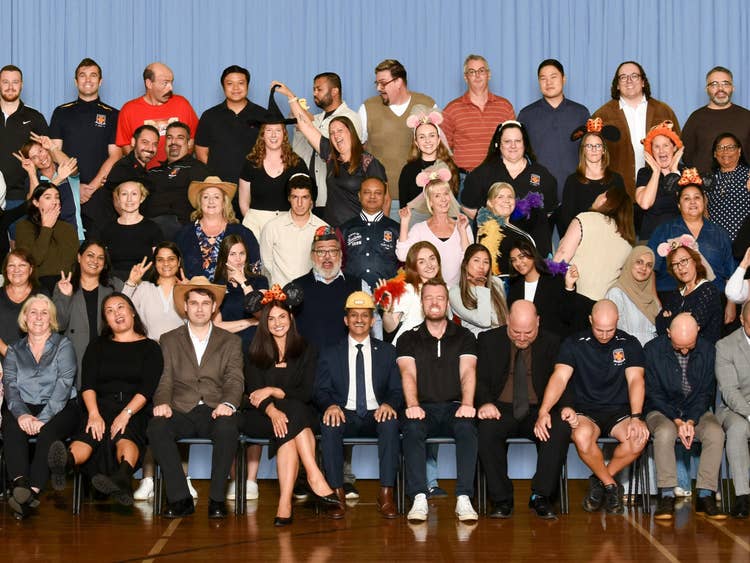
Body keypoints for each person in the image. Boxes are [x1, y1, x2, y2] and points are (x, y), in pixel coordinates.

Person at [239, 285, 344, 524]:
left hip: (293, 416)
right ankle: (314, 475)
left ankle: (284, 503)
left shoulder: (306, 349)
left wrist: (273, 390)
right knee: (294, 417)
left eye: (282, 317)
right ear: (264, 323)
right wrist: (272, 410)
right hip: (261, 416)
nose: (277, 323)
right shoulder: (253, 351)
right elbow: (254, 394)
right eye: (271, 319)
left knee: (290, 424)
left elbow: (305, 393)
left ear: (291, 318)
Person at [534, 300, 649, 514]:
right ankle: (611, 485)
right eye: (599, 329)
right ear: (590, 320)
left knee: (638, 439)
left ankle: (600, 480)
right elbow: (559, 378)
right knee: (581, 436)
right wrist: (544, 410)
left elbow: (636, 380)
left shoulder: (630, 343)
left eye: (610, 330)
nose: (604, 335)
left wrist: (636, 417)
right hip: (586, 411)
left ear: (618, 321)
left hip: (620, 411)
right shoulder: (574, 343)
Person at [47, 293, 163, 506]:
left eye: (120, 307)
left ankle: (122, 476)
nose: (116, 313)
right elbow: (88, 384)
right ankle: (65, 464)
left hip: (135, 407)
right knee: (90, 433)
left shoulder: (151, 347)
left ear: (132, 312)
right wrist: (93, 414)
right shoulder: (97, 345)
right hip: (99, 404)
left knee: (125, 433)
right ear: (106, 320)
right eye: (109, 311)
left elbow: (147, 389)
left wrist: (126, 414)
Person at [147, 276, 243, 519]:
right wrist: (162, 403)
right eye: (194, 303)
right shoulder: (169, 339)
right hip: (181, 409)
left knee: (228, 428)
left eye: (205, 303)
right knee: (157, 427)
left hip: (215, 409)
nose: (200, 308)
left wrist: (228, 404)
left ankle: (217, 500)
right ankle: (180, 498)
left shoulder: (231, 341)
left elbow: (234, 379)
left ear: (214, 307)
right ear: (185, 307)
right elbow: (165, 378)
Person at [477, 300, 572, 519]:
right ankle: (501, 499)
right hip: (500, 408)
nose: (521, 337)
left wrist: (566, 407)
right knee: (486, 430)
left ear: (537, 322)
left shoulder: (553, 342)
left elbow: (562, 379)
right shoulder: (488, 340)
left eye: (528, 333)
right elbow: (479, 379)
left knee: (558, 428)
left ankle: (541, 496)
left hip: (538, 409)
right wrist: (485, 403)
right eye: (515, 332)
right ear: (507, 321)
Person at [315, 291, 402, 518]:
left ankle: (386, 493)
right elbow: (321, 390)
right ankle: (336, 493)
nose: (359, 320)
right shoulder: (330, 352)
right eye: (354, 315)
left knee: (391, 423)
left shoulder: (388, 352)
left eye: (365, 315)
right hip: (344, 413)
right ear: (346, 320)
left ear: (373, 321)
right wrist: (331, 405)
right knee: (329, 423)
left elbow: (396, 390)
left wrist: (389, 404)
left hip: (377, 413)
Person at [121, 242, 197, 503]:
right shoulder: (143, 289)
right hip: (149, 360)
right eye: (161, 259)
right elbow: (121, 309)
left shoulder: (186, 288)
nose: (166, 264)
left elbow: (199, 320)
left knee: (181, 415)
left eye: (171, 259)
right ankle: (148, 479)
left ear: (179, 261)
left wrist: (188, 290)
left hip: (182, 362)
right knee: (152, 419)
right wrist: (130, 282)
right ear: (155, 263)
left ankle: (184, 477)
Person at [397, 278, 479, 522]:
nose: (434, 302)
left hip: (455, 407)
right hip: (422, 408)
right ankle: (419, 496)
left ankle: (464, 497)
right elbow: (407, 373)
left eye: (440, 298)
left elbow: (468, 371)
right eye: (429, 298)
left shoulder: (464, 336)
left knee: (467, 428)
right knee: (412, 428)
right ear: (422, 303)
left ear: (447, 303)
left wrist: (467, 403)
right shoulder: (407, 338)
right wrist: (412, 405)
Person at [1, 294, 79, 519]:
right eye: (33, 312)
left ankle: (30, 493)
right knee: (11, 425)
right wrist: (22, 415)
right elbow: (10, 386)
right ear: (24, 317)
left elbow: (63, 385)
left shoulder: (64, 345)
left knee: (48, 432)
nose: (38, 317)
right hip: (24, 405)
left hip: (62, 406)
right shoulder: (14, 350)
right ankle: (20, 484)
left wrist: (43, 418)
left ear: (51, 319)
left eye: (44, 313)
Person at [645, 313, 726, 520]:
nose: (683, 351)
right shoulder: (652, 350)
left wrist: (690, 420)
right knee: (665, 433)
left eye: (689, 346)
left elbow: (706, 393)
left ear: (697, 331)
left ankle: (705, 495)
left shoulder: (708, 350)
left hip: (695, 410)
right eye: (678, 346)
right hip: (662, 410)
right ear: (668, 333)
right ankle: (667, 495)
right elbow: (653, 394)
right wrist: (677, 420)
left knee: (715, 433)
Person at [279, 79, 389, 226]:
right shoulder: (331, 156)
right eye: (332, 133)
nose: (336, 135)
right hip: (332, 229)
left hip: (358, 229)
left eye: (340, 131)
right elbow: (306, 126)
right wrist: (291, 97)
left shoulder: (368, 162)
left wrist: (381, 229)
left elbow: (385, 200)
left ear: (351, 132)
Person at [462, 121, 557, 257]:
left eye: (517, 141)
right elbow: (468, 207)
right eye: (507, 141)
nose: (513, 146)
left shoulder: (542, 174)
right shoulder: (482, 173)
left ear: (524, 144)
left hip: (532, 250)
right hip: (494, 248)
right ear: (498, 144)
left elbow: (549, 212)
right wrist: (499, 223)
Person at [593, 61, 680, 198]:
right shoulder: (602, 115)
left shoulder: (664, 111)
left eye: (634, 76)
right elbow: (592, 154)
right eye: (623, 77)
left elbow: (677, 147)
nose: (629, 80)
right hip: (617, 193)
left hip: (659, 193)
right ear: (617, 84)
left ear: (643, 82)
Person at [49, 58, 121, 220]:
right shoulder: (61, 112)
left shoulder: (113, 115)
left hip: (100, 192)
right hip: (66, 189)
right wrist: (76, 186)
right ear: (76, 81)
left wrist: (91, 188)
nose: (88, 80)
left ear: (100, 81)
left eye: (93, 75)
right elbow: (54, 152)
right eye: (83, 75)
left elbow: (115, 155)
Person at [358, 59, 436, 201]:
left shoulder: (427, 105)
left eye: (383, 83)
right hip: (380, 199)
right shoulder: (367, 108)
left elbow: (440, 149)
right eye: (377, 83)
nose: (378, 88)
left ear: (398, 82)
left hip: (421, 198)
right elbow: (357, 150)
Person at [648, 175, 735, 300]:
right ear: (679, 205)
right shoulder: (664, 230)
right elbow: (651, 269)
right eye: (686, 198)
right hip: (672, 297)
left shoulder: (719, 233)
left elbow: (731, 274)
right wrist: (655, 301)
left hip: (713, 299)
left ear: (704, 201)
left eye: (697, 197)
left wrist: (731, 304)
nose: (692, 202)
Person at [238, 87, 308, 239]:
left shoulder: (297, 163)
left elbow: (307, 199)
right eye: (269, 130)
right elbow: (243, 203)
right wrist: (253, 226)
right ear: (262, 135)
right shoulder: (250, 163)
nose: (273, 135)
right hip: (255, 224)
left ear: (284, 134)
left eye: (278, 130)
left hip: (288, 224)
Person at [290, 72, 363, 212]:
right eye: (314, 89)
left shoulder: (351, 118)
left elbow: (328, 149)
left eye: (319, 89)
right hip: (307, 198)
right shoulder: (315, 119)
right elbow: (298, 153)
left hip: (334, 198)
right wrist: (299, 126)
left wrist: (304, 121)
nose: (314, 93)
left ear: (334, 91)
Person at [517, 59, 590, 197]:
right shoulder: (526, 115)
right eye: (543, 78)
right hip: (537, 190)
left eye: (553, 77)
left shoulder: (581, 113)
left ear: (563, 79)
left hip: (575, 188)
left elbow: (591, 152)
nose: (548, 82)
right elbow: (518, 154)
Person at [53, 240, 124, 383]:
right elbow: (59, 325)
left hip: (109, 354)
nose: (95, 261)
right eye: (90, 255)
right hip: (75, 355)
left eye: (100, 257)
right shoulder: (64, 285)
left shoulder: (115, 285)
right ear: (79, 257)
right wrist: (66, 296)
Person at [290, 226, 368, 350]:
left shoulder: (359, 285)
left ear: (340, 254)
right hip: (307, 360)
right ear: (312, 255)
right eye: (321, 252)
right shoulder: (296, 287)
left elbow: (374, 323)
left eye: (332, 251)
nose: (327, 257)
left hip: (347, 359)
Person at [554, 184, 635, 300]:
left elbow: (562, 255)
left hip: (575, 296)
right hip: (606, 304)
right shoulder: (627, 241)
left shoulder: (585, 219)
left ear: (604, 200)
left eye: (602, 194)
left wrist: (548, 284)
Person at [396, 163, 472, 286]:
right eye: (437, 196)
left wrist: (462, 231)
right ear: (430, 202)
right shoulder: (419, 229)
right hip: (428, 292)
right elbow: (403, 256)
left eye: (446, 194)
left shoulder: (463, 226)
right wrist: (404, 223)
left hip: (456, 292)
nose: (443, 199)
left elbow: (469, 262)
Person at [194, 65, 267, 187]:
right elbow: (201, 152)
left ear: (247, 86)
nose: (236, 88)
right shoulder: (209, 116)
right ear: (223, 87)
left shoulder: (263, 115)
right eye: (230, 84)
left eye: (241, 83)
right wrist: (215, 178)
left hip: (255, 184)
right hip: (219, 186)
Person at [175, 176, 260, 281]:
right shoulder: (183, 234)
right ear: (200, 202)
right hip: (194, 291)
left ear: (224, 202)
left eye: (216, 197)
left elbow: (255, 270)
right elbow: (173, 268)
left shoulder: (242, 233)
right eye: (205, 197)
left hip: (234, 291)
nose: (211, 201)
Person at [115, 62, 199, 168]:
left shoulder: (182, 104)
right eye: (165, 83)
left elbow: (194, 137)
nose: (170, 88)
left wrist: (180, 164)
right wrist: (140, 168)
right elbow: (125, 144)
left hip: (179, 172)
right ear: (149, 83)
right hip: (144, 174)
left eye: (171, 82)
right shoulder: (129, 109)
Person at [442, 54, 515, 175]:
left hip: (498, 177)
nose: (477, 75)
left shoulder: (505, 107)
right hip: (465, 178)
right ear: (466, 77)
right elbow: (443, 149)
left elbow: (514, 144)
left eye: (481, 70)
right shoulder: (452, 109)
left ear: (488, 74)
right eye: (472, 72)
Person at [85, 124, 159, 238]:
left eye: (154, 144)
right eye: (145, 142)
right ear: (133, 142)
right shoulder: (124, 168)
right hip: (106, 231)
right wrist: (134, 232)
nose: (150, 148)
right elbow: (119, 203)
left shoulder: (142, 171)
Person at [259, 173, 327, 287]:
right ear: (289, 198)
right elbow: (266, 265)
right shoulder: (272, 227)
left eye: (305, 197)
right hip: (280, 293)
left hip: (313, 292)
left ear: (312, 200)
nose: (299, 203)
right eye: (295, 197)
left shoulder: (323, 229)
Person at [146, 121, 210, 240]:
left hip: (181, 229)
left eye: (180, 138)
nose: (173, 142)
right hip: (149, 227)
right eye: (169, 137)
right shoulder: (153, 172)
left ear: (189, 143)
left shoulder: (197, 169)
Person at [715, 301, 750, 519]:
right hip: (735, 408)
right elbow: (729, 390)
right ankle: (743, 496)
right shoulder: (725, 346)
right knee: (738, 429)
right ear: (741, 320)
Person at [682, 66, 750, 175]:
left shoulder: (746, 116)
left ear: (733, 88)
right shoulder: (696, 118)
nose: (720, 89)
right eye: (714, 84)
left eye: (725, 84)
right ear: (707, 89)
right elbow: (685, 155)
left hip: (743, 183)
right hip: (704, 182)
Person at [559, 120, 623, 234]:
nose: (594, 149)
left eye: (598, 145)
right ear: (583, 150)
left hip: (610, 236)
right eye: (589, 146)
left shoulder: (616, 179)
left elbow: (623, 214)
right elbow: (566, 219)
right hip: (582, 237)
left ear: (603, 150)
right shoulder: (573, 181)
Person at [507, 239, 580, 338]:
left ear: (533, 254)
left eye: (521, 257)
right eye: (513, 260)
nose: (518, 263)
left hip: (552, 341)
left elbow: (568, 316)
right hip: (523, 341)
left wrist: (569, 286)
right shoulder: (514, 286)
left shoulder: (555, 280)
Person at [655, 237, 722, 344]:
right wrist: (679, 319)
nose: (680, 268)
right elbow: (659, 325)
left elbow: (691, 327)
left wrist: (668, 319)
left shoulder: (708, 290)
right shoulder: (676, 293)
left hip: (702, 351)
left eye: (683, 261)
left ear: (695, 261)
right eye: (675, 264)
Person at [0, 64, 48, 214]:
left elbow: (48, 156)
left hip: (21, 197)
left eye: (15, 82)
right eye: (5, 82)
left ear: (21, 84)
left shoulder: (35, 117)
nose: (10, 87)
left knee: (21, 232)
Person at [15, 182, 78, 294]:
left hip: (67, 284)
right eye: (48, 197)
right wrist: (46, 228)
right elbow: (32, 260)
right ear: (36, 202)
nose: (54, 201)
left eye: (57, 197)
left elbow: (73, 263)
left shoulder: (68, 228)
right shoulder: (24, 226)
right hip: (39, 286)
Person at [17, 134, 83, 239]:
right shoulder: (32, 180)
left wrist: (52, 146)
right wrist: (32, 174)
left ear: (46, 149)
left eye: (40, 151)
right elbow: (33, 207)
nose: (41, 157)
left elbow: (71, 168)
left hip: (74, 236)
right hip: (47, 238)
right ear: (31, 162)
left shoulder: (63, 168)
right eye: (34, 157)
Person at [339, 177, 400, 288]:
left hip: (387, 293)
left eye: (378, 193)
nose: (372, 196)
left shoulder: (396, 229)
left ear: (384, 197)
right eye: (367, 192)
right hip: (353, 292)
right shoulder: (345, 229)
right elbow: (338, 263)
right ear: (359, 196)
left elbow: (403, 266)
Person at [213, 234, 269, 349]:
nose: (238, 259)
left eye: (242, 253)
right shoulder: (217, 286)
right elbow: (216, 327)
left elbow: (261, 314)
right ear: (224, 257)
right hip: (228, 347)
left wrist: (243, 282)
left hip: (257, 345)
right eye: (232, 254)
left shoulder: (260, 281)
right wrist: (251, 322)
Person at [99, 181, 163, 280]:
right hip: (114, 283)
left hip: (144, 282)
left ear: (142, 198)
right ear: (118, 198)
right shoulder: (107, 228)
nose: (129, 199)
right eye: (124, 194)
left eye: (134, 194)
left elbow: (159, 262)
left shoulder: (153, 228)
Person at [475, 182, 538, 279]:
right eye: (500, 197)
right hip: (502, 284)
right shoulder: (487, 229)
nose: (506, 200)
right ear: (490, 203)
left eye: (510, 197)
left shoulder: (517, 228)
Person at [398, 105, 458, 207]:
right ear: (416, 142)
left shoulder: (450, 167)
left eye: (432, 135)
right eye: (422, 137)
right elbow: (404, 206)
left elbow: (452, 203)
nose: (427, 141)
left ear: (438, 139)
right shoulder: (408, 170)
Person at [634, 121, 684, 240]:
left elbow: (686, 206)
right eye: (656, 147)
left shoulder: (686, 172)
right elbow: (645, 204)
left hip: (681, 238)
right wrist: (656, 172)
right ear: (651, 151)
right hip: (651, 238)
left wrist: (674, 173)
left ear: (674, 147)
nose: (661, 151)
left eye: (665, 145)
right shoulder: (645, 173)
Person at [604, 246, 660, 346]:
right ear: (630, 262)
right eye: (639, 262)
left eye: (649, 265)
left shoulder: (651, 296)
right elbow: (612, 333)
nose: (644, 268)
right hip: (629, 351)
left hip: (653, 352)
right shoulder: (616, 294)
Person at [449, 243, 508, 335]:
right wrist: (481, 287)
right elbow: (484, 321)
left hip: (502, 337)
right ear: (466, 264)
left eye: (486, 262)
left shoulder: (496, 283)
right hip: (477, 341)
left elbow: (502, 318)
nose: (481, 266)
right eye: (476, 260)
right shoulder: (455, 292)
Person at [705, 132, 750, 241]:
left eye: (730, 147)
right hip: (716, 242)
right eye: (720, 148)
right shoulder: (707, 180)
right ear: (715, 154)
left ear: (739, 151)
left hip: (745, 241)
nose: (725, 151)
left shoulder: (748, 175)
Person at [0, 249, 39, 356]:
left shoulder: (41, 294)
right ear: (6, 270)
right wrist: (9, 354)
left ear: (30, 269)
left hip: (35, 360)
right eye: (11, 265)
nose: (16, 270)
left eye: (22, 265)